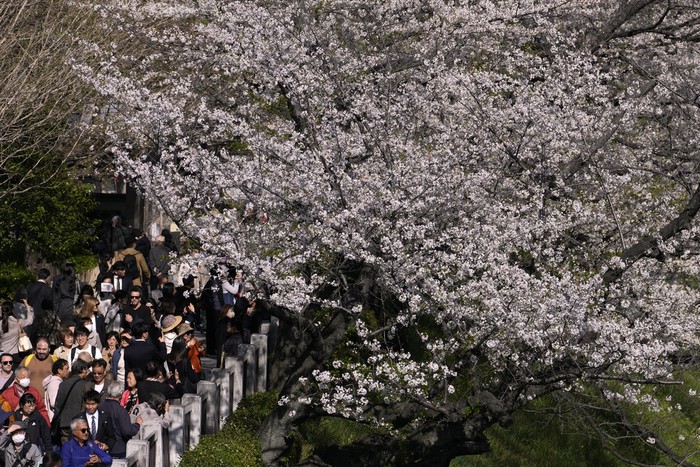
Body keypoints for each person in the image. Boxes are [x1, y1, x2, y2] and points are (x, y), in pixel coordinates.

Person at [99, 381, 142, 458]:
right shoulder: (120, 411)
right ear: (121, 393)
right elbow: (127, 431)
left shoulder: (100, 407)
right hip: (118, 449)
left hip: (102, 447)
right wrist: (137, 424)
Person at [53, 359, 90, 444]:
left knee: (66, 449)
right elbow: (84, 405)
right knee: (78, 448)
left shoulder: (63, 384)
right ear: (83, 370)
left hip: (64, 423)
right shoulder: (85, 385)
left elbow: (57, 405)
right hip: (78, 424)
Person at [25, 268, 53, 344]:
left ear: (38, 276)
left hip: (28, 314)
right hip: (41, 316)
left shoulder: (29, 286)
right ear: (47, 277)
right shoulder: (48, 289)